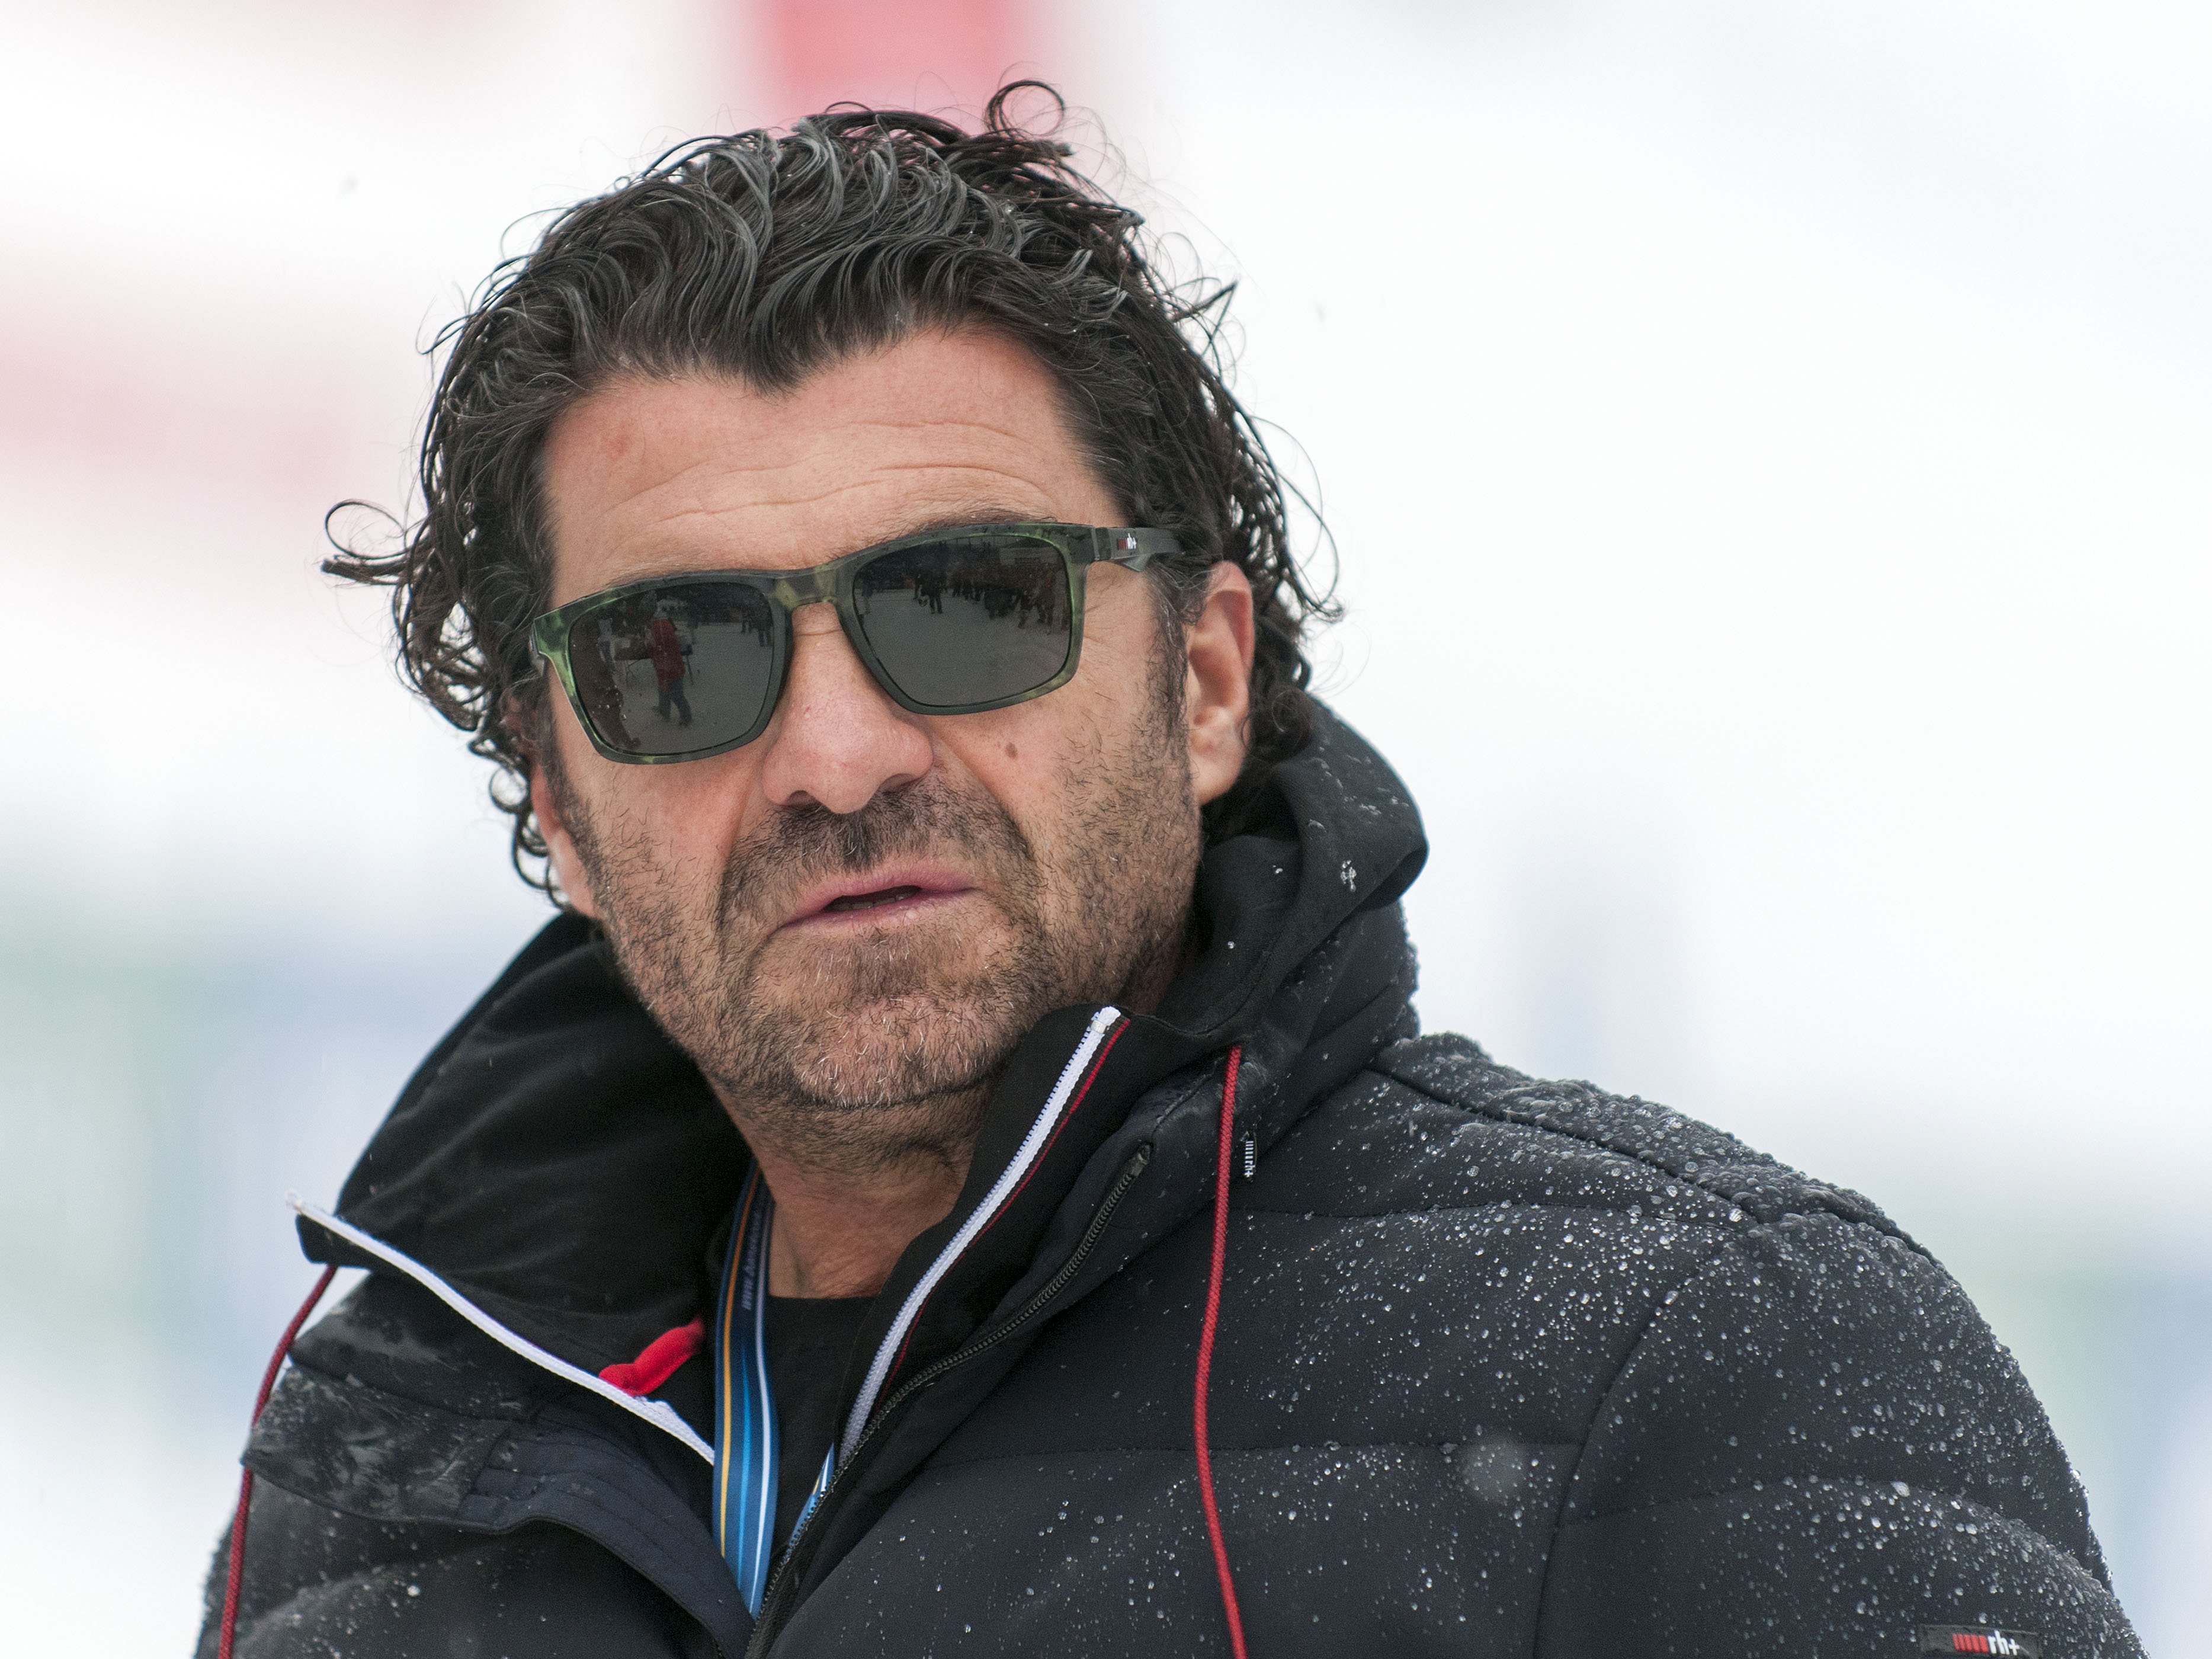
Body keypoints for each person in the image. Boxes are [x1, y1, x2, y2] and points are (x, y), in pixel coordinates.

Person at [200, 88, 2140, 1659]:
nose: (836, 756)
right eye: (676, 659)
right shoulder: (383, 1464)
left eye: (968, 605)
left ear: (1205, 683)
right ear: (557, 789)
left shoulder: (1688, 1365)